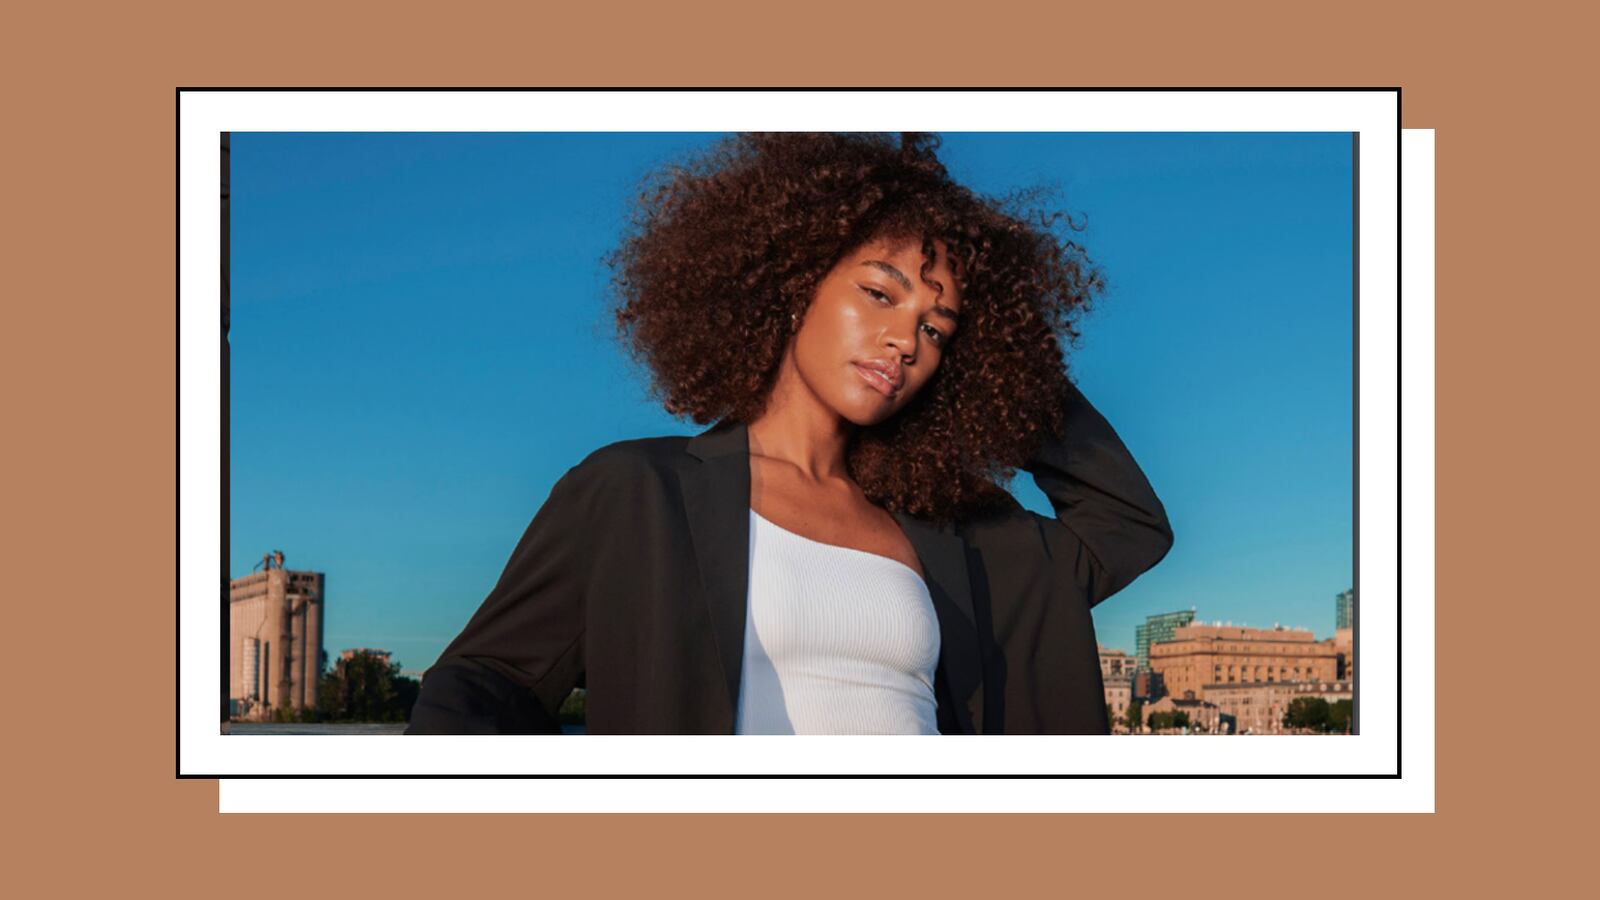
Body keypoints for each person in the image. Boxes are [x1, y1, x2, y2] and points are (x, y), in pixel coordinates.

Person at [405, 133, 1172, 735]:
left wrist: (1010, 368)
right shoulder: (636, 493)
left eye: (936, 330)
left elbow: (1126, 525)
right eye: (879, 293)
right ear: (794, 280)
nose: (904, 342)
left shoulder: (961, 535)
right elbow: (486, 682)